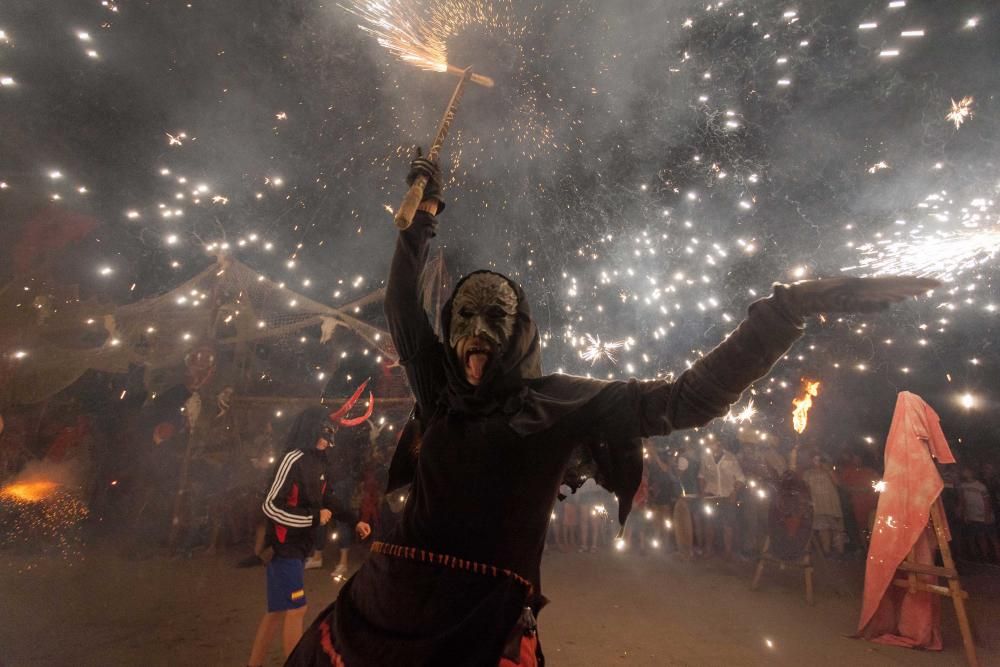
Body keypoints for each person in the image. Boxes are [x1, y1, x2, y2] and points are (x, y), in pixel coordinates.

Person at [287, 155, 936, 666]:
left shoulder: (560, 402)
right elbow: (403, 306)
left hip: (479, 631)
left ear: (521, 332)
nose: (477, 333)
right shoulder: (440, 392)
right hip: (383, 613)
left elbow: (685, 398)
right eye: (464, 318)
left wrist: (783, 312)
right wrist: (424, 208)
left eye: (494, 317)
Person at [247, 406, 372, 666]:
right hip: (284, 548)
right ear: (311, 429)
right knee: (297, 608)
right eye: (323, 433)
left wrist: (355, 520)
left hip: (298, 547)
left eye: (330, 435)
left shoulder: (319, 461)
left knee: (276, 612)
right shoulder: (293, 459)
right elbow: (270, 505)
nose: (327, 440)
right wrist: (313, 518)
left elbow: (327, 498)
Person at [698, 440, 746, 559]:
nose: (710, 446)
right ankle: (708, 550)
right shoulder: (705, 458)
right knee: (709, 524)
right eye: (709, 443)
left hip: (727, 495)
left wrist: (735, 492)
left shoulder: (730, 458)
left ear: (719, 444)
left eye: (712, 443)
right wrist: (702, 491)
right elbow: (701, 476)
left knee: (727, 524)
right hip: (711, 495)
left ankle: (728, 552)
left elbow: (741, 478)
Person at [801, 453, 845, 557]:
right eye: (814, 459)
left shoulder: (828, 470)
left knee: (837, 528)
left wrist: (829, 470)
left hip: (831, 503)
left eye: (819, 459)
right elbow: (804, 488)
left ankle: (840, 553)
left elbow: (838, 483)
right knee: (823, 529)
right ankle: (827, 552)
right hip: (817, 504)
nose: (816, 461)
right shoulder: (807, 473)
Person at [957, 466, 999, 562]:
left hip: (984, 516)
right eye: (964, 470)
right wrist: (965, 514)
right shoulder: (963, 486)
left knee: (992, 537)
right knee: (980, 537)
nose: (965, 472)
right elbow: (962, 500)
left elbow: (987, 502)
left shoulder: (981, 486)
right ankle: (985, 556)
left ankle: (997, 556)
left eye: (967, 470)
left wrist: (987, 516)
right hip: (973, 515)